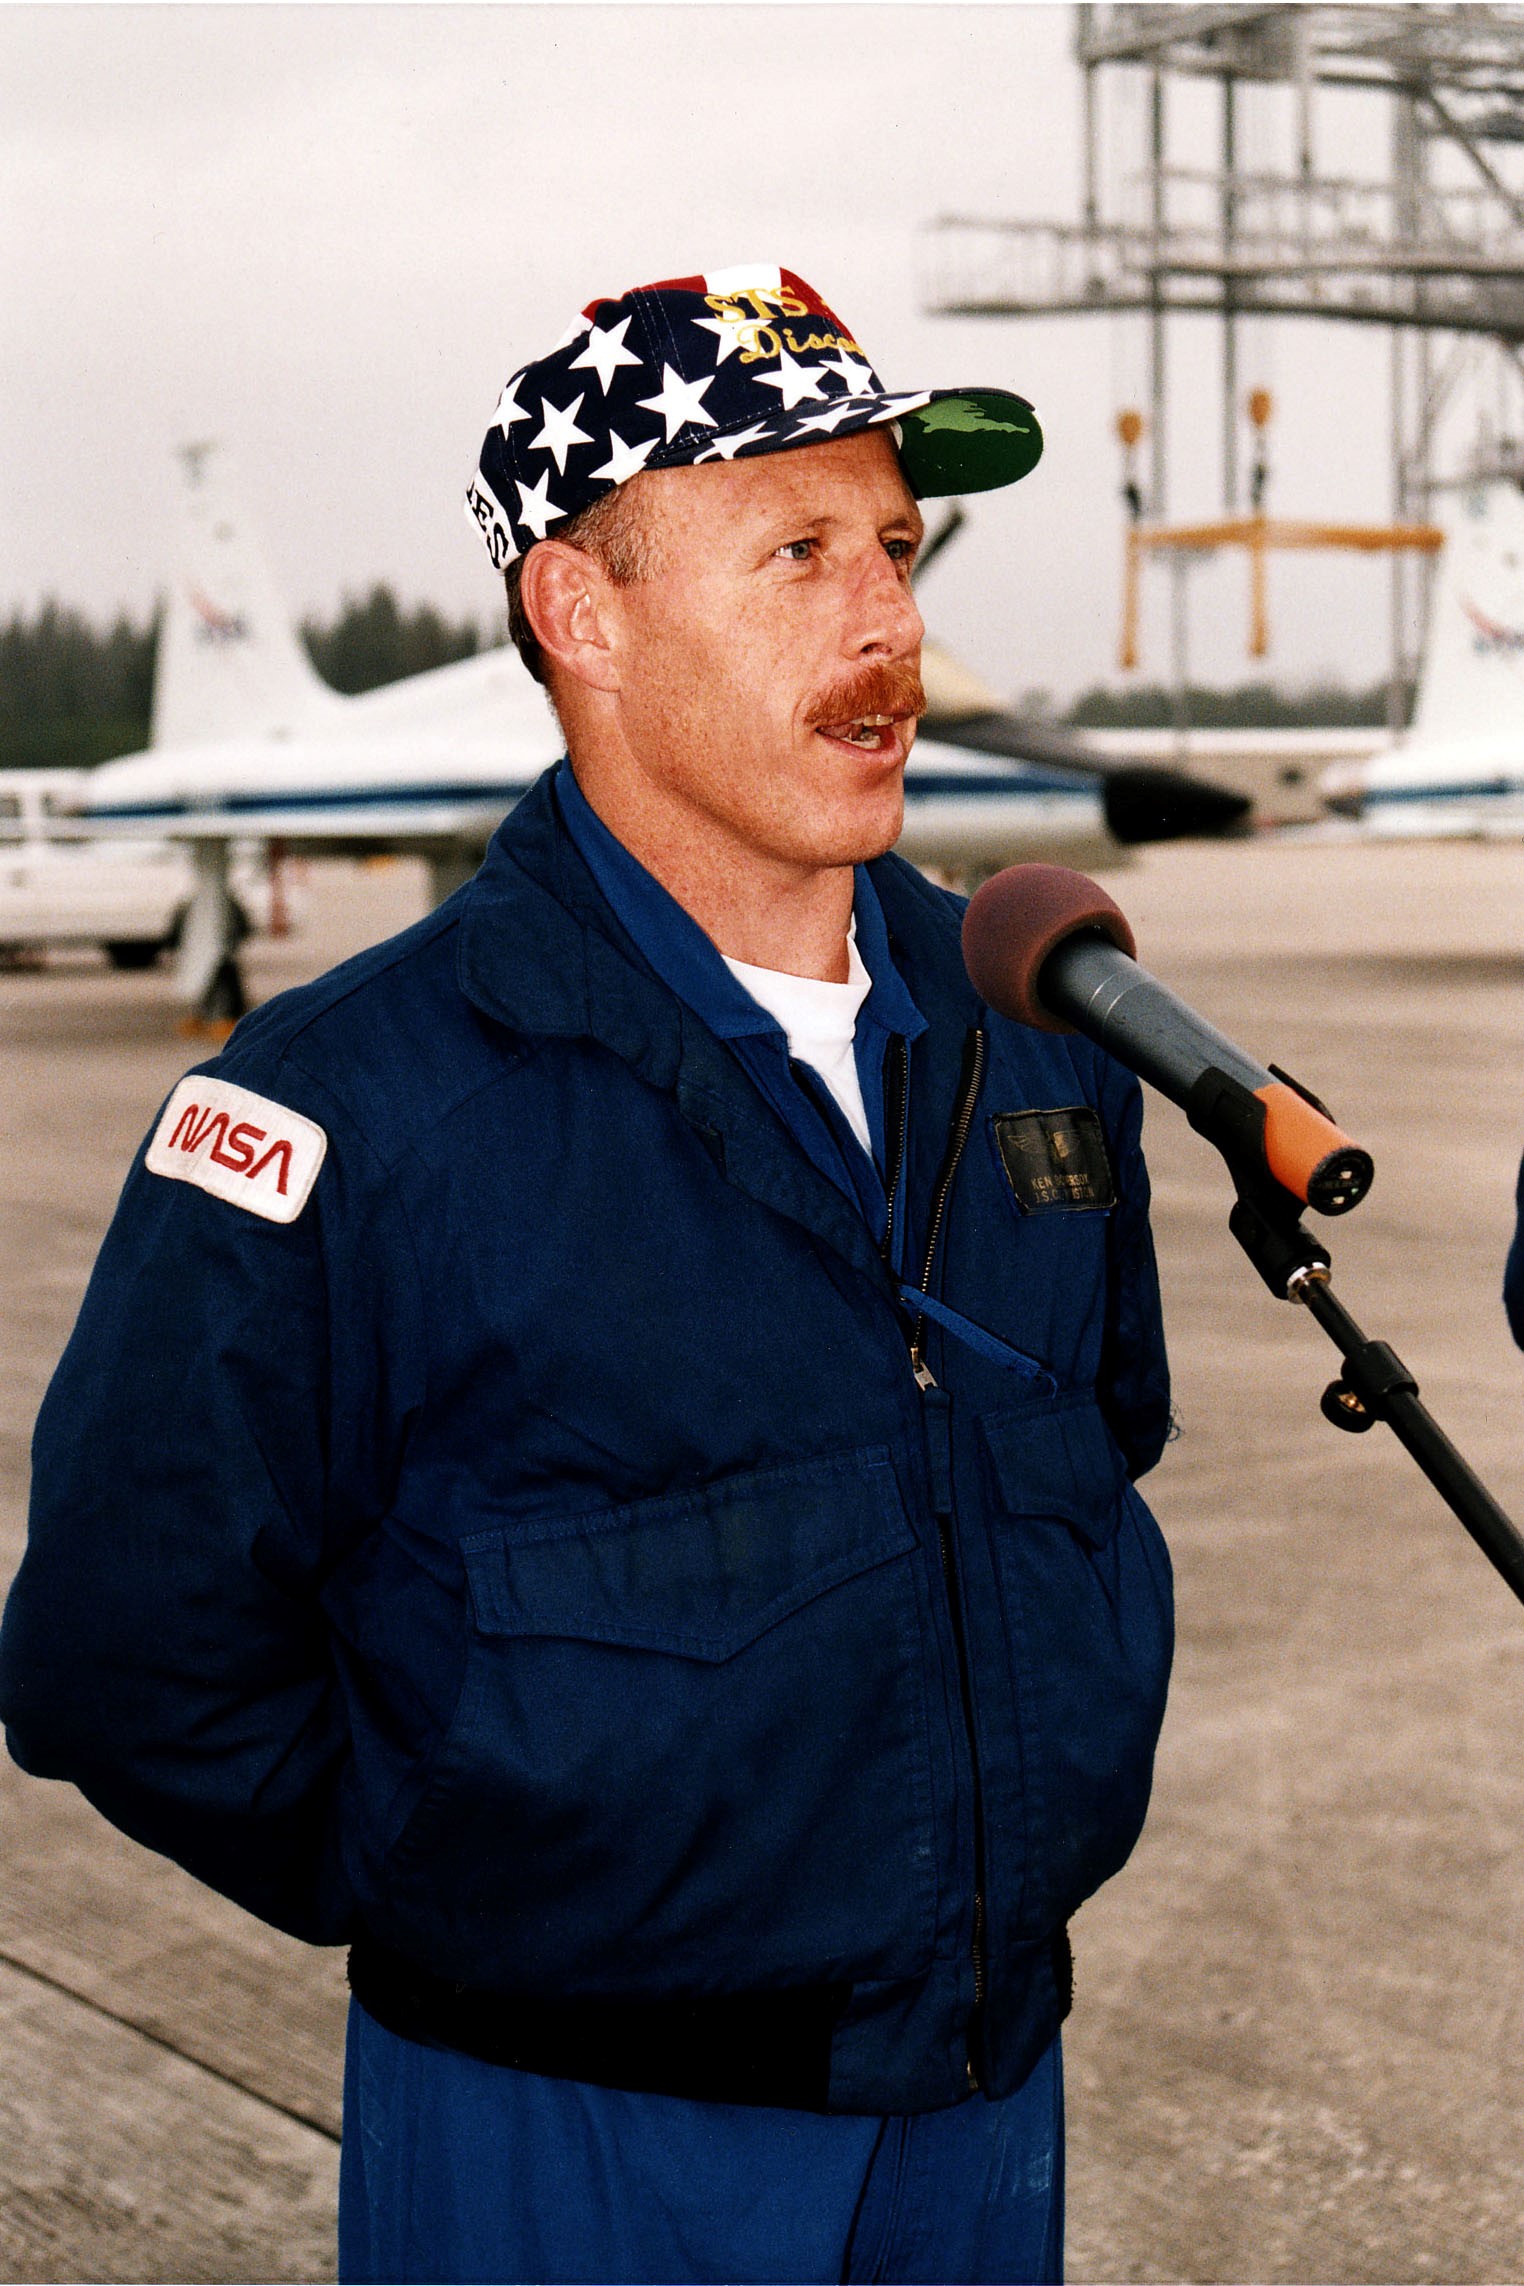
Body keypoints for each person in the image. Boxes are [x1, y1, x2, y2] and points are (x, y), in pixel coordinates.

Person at [0, 264, 1174, 2285]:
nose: (889, 620)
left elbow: (1096, 1447)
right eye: (794, 551)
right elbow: (125, 1648)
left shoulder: (1042, 1041)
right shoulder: (346, 1109)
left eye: (895, 545)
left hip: (985, 2097)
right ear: (585, 613)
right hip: (573, 2132)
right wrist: (450, 1865)